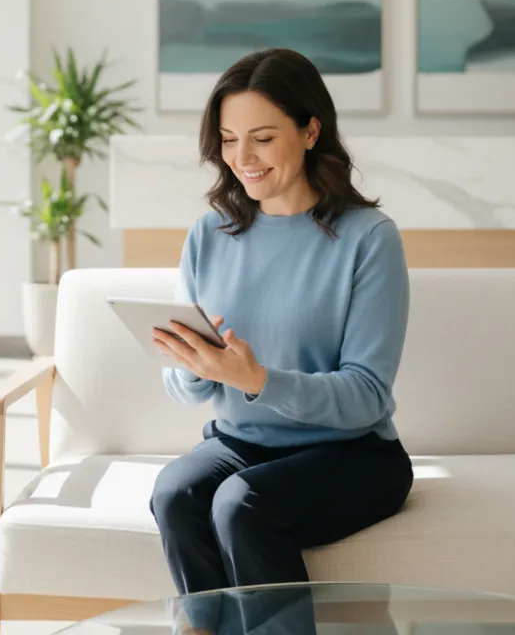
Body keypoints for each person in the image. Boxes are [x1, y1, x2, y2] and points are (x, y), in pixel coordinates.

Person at [148, 48, 414, 608]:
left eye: (262, 138)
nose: (242, 157)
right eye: (227, 139)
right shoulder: (208, 235)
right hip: (241, 442)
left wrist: (257, 379)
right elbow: (182, 384)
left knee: (241, 505)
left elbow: (367, 395)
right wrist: (199, 369)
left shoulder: (369, 238)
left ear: (311, 130)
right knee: (174, 494)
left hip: (352, 454)